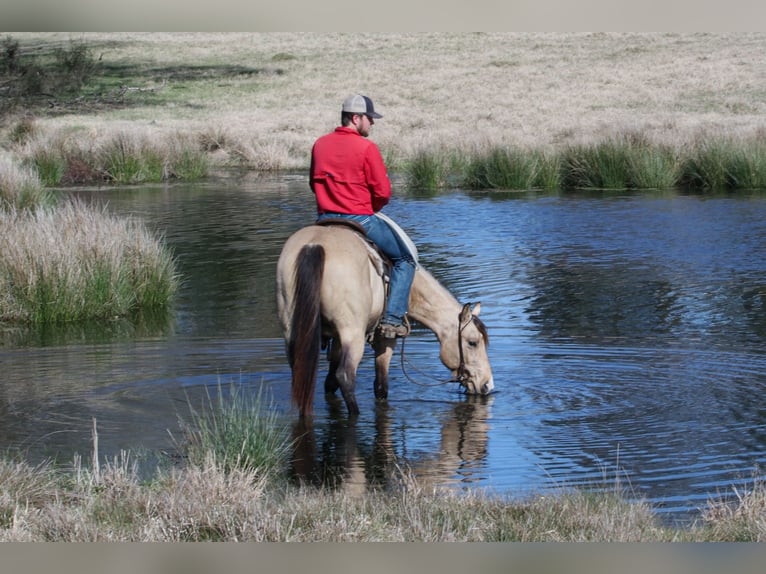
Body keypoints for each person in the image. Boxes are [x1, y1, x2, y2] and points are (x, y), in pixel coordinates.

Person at [310, 94, 416, 339]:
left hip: (324, 219)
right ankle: (392, 320)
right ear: (355, 118)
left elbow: (312, 185)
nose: (372, 123)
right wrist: (371, 208)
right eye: (369, 118)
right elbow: (383, 192)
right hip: (360, 219)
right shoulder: (366, 147)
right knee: (405, 261)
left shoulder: (320, 144)